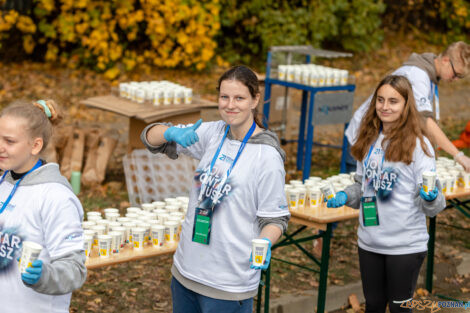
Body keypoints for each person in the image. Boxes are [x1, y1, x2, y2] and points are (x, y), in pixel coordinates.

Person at [141, 65, 290, 313]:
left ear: (255, 100)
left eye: (239, 98)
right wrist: (172, 132)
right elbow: (149, 137)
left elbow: (275, 218)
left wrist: (264, 243)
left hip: (228, 284)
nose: (230, 105)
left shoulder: (267, 157)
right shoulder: (213, 133)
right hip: (185, 272)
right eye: (224, 97)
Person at [327, 75, 446, 312]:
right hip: (369, 241)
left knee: (399, 308)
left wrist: (431, 197)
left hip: (405, 245)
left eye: (393, 101)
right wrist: (345, 196)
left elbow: (434, 204)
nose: (385, 106)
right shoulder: (369, 139)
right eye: (380, 100)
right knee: (373, 305)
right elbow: (363, 187)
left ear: (406, 105)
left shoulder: (419, 145)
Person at [0, 100, 87, 313]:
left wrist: (44, 276)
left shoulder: (56, 197)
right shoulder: (4, 179)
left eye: (9, 141)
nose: (0, 147)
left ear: (35, 145)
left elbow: (75, 270)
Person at [345, 41, 470, 173]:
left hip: (381, 139)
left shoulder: (428, 74)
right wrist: (458, 155)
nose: (455, 79)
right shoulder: (418, 77)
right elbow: (425, 121)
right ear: (445, 60)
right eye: (456, 74)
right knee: (361, 188)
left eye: (460, 77)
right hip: (365, 138)